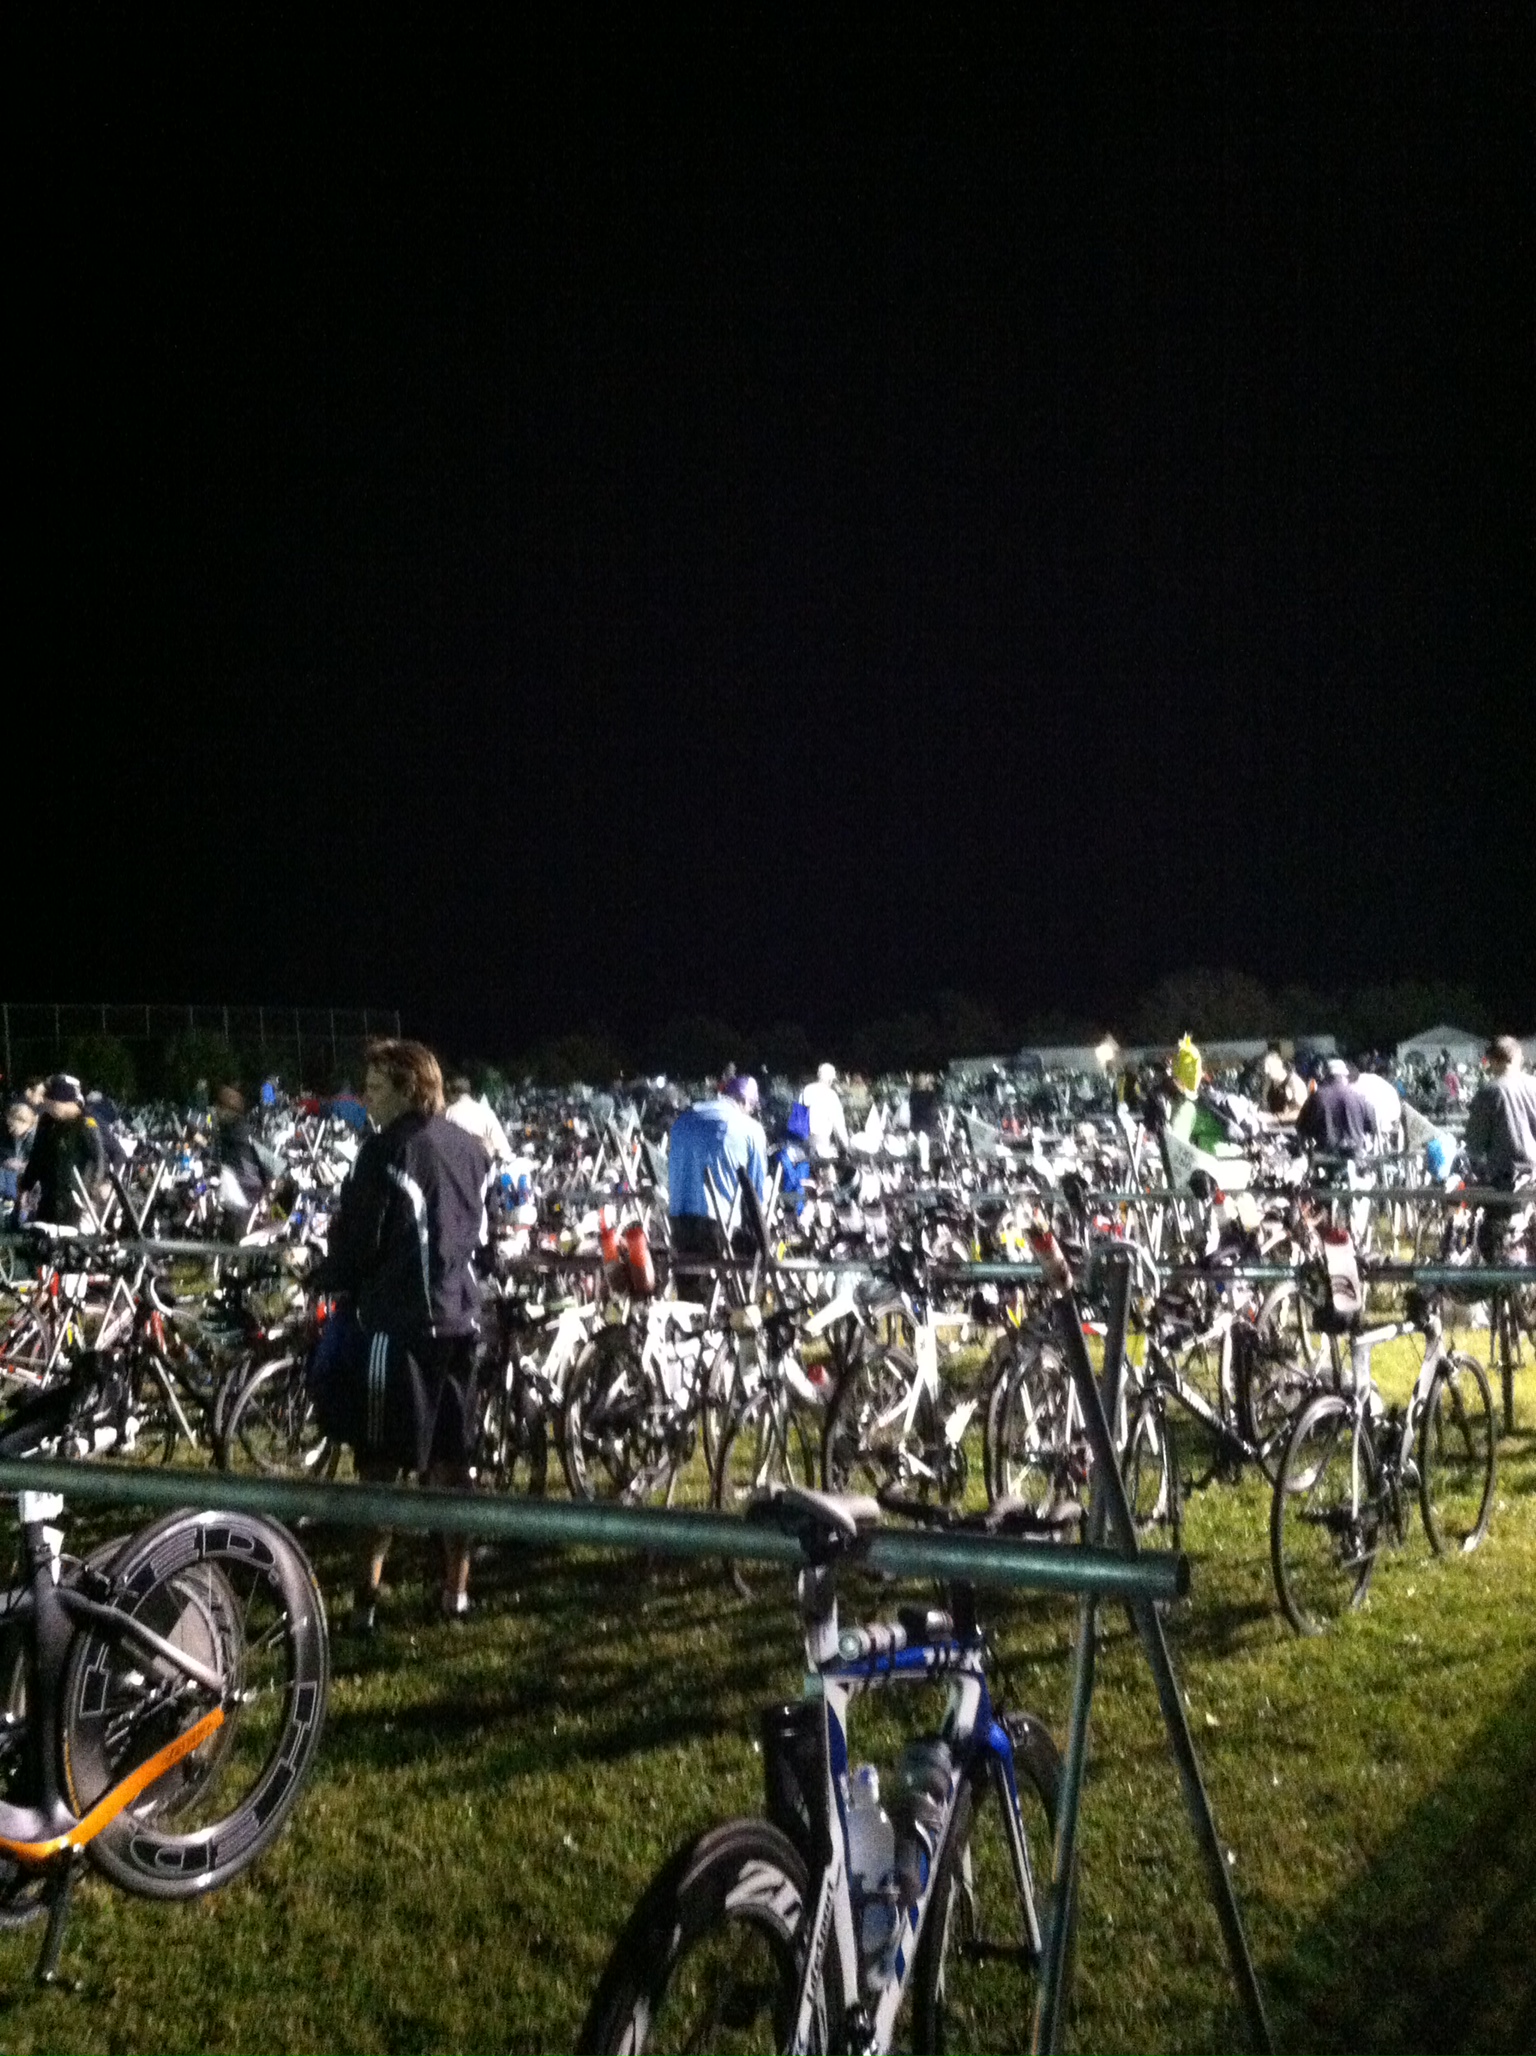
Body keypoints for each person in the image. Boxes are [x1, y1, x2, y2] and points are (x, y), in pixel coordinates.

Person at [309, 1038, 492, 1629]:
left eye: (375, 1087)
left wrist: (328, 1275)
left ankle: (364, 1606)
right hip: (460, 1321)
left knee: (378, 1471)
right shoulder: (470, 1147)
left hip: (400, 1326)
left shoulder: (385, 1151)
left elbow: (362, 1243)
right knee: (453, 1469)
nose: (366, 1099)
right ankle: (455, 1595)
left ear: (408, 1089)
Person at [667, 1073, 768, 1292]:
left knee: (688, 1293)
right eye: (752, 1107)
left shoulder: (684, 1119)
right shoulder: (750, 1128)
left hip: (678, 1219)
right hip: (720, 1223)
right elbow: (756, 1191)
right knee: (727, 1288)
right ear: (745, 1101)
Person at [1465, 1037, 1536, 1259]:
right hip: (1534, 1180)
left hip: (1503, 1184)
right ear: (1518, 1058)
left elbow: (1474, 1145)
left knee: (1497, 1250)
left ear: (1493, 1060)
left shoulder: (1489, 1092)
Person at [15, 1074, 107, 1226]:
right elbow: (37, 1157)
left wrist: (92, 1193)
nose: (45, 1104)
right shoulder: (47, 1122)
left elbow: (99, 1159)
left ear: (64, 1102)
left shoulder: (86, 1124)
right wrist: (26, 1186)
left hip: (74, 1196)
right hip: (48, 1195)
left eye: (50, 1102)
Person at [1296, 1057, 1379, 1159]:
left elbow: (1301, 1126)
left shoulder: (1316, 1097)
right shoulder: (1359, 1097)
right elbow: (1372, 1126)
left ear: (1325, 1076)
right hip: (1355, 1154)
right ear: (1344, 1076)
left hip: (1325, 1156)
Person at [444, 1073, 514, 1162]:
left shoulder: (448, 1113)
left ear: (452, 1092)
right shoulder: (486, 1112)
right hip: (483, 1166)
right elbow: (503, 1150)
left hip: (456, 1166)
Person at [796, 1062, 850, 1161]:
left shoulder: (806, 1090)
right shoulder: (831, 1095)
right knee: (828, 1169)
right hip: (822, 1144)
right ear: (830, 1080)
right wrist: (846, 1148)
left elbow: (798, 1118)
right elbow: (839, 1126)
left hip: (804, 1143)